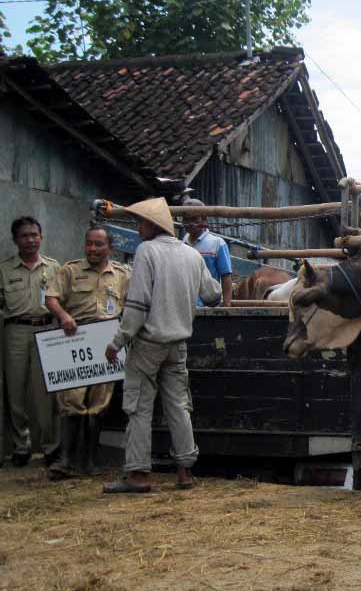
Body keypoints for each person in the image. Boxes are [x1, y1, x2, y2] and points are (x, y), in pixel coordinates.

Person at [102, 198, 221, 494]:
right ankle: (184, 471)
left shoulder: (147, 251)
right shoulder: (192, 255)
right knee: (179, 407)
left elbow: (138, 305)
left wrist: (118, 341)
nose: (138, 228)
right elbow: (213, 294)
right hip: (178, 344)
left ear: (152, 225)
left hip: (148, 343)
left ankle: (139, 475)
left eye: (140, 223)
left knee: (139, 408)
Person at [45, 227, 131, 479]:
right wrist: (63, 316)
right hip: (74, 339)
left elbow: (132, 304)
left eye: (99, 245)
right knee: (70, 400)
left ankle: (91, 461)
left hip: (106, 344)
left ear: (110, 249)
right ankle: (65, 460)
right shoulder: (70, 270)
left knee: (99, 403)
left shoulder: (122, 275)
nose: (92, 249)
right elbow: (51, 298)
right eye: (89, 244)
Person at [0, 217, 60, 467]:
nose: (31, 240)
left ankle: (51, 447)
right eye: (25, 236)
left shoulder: (54, 267)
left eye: (35, 234)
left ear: (42, 237)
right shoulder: (4, 269)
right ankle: (21, 446)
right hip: (16, 331)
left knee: (47, 392)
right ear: (15, 240)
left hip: (47, 330)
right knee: (15, 392)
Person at [182, 199, 232, 307]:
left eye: (194, 219)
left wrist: (227, 304)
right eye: (186, 219)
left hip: (208, 303)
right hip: (185, 303)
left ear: (204, 220)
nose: (190, 223)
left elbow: (226, 275)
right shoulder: (182, 243)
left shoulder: (217, 243)